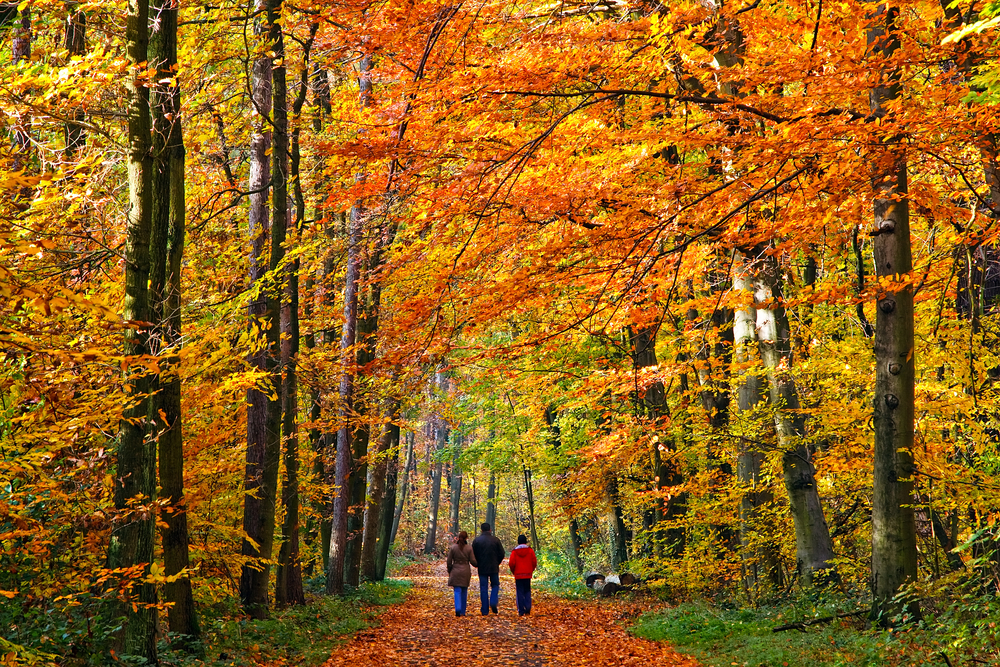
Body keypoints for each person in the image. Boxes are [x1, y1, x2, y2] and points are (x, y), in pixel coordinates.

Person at [471, 522, 505, 615]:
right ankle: (493, 601)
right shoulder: (496, 540)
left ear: (481, 530)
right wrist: (497, 562)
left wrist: (477, 563)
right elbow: (502, 553)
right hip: (494, 567)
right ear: (490, 530)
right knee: (495, 585)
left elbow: (472, 554)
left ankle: (485, 610)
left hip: (482, 568)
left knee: (483, 588)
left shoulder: (477, 541)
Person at [446, 530, 477, 616]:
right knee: (464, 590)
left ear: (458, 538)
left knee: (457, 590)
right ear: (466, 538)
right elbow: (473, 561)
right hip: (465, 571)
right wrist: (479, 564)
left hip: (455, 570)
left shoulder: (453, 548)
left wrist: (450, 569)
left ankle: (458, 608)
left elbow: (449, 561)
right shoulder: (469, 548)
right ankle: (463, 611)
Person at [508, 534, 537, 616]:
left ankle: (521, 610)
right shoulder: (530, 551)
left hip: (518, 574)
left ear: (518, 542)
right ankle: (528, 608)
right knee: (527, 591)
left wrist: (514, 571)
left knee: (519, 592)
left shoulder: (514, 552)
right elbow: (534, 561)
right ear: (525, 541)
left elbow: (511, 563)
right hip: (527, 574)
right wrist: (531, 569)